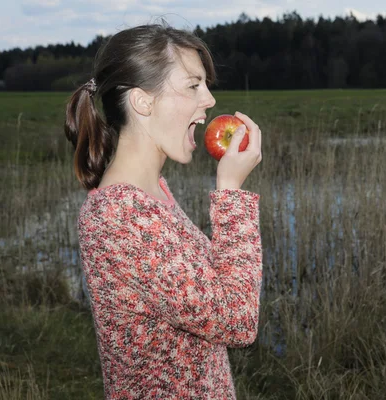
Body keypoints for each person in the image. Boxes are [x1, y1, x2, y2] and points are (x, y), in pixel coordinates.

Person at [64, 22, 263, 399]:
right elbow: (237, 320)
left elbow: (213, 289)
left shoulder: (151, 194)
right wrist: (231, 191)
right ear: (143, 101)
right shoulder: (119, 217)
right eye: (193, 85)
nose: (209, 100)